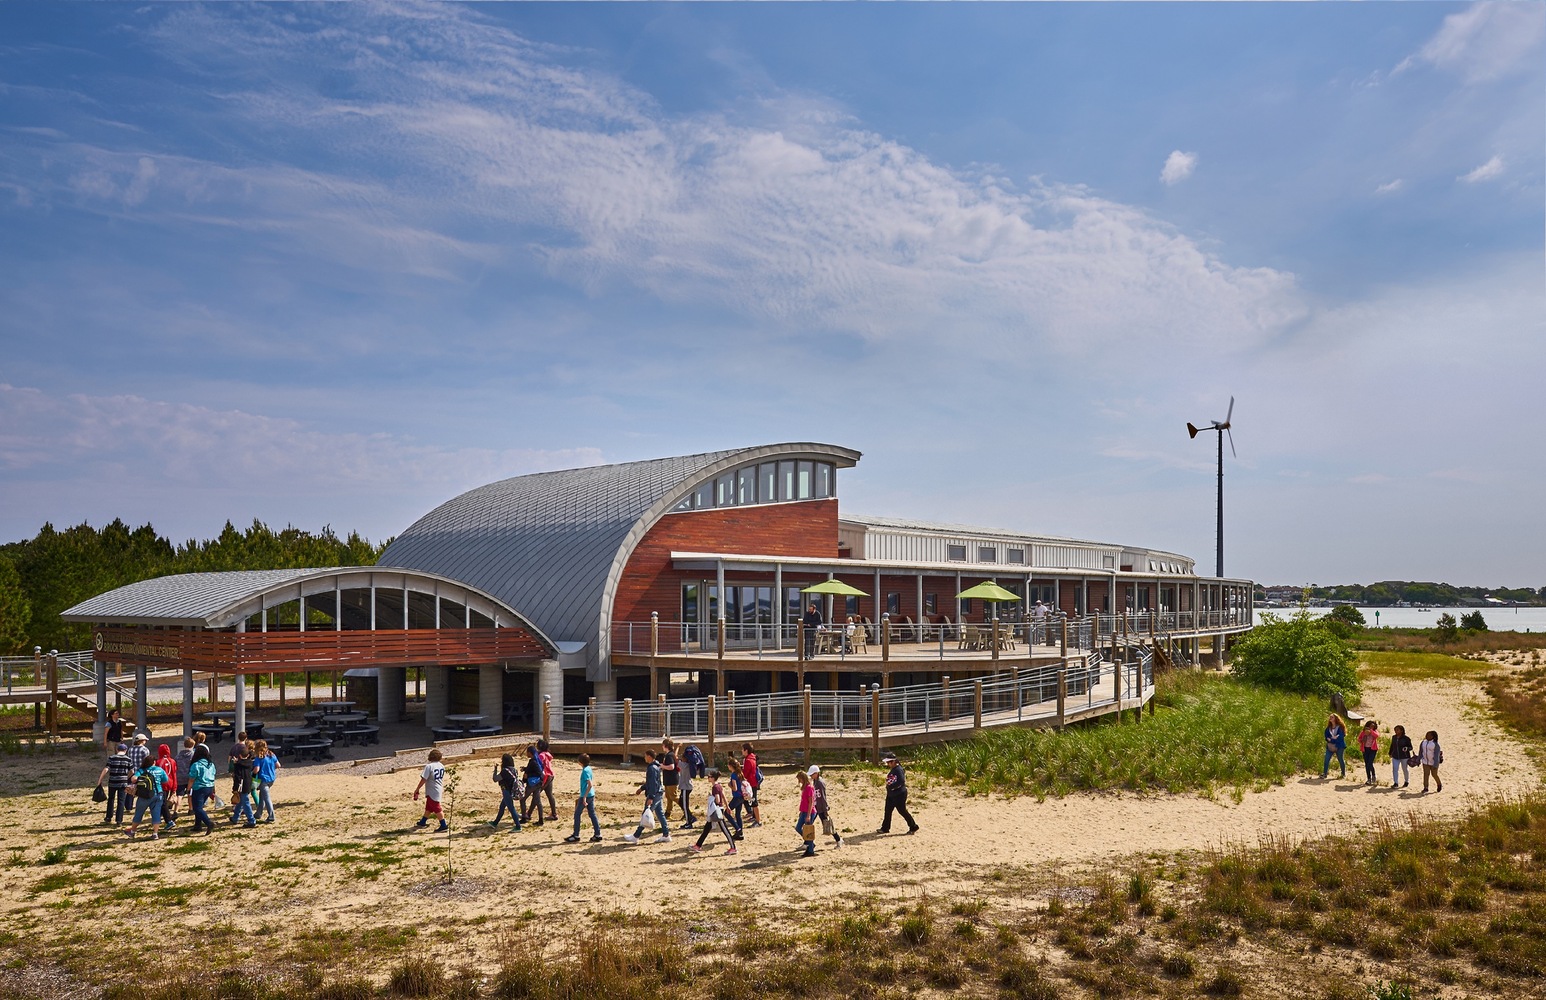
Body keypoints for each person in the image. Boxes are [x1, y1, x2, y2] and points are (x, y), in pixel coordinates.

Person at [623, 749, 669, 844]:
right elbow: (653, 782)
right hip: (659, 792)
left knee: (646, 814)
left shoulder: (652, 768)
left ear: (649, 756)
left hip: (655, 794)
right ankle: (666, 834)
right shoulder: (656, 766)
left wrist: (651, 797)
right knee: (660, 814)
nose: (644, 758)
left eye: (645, 756)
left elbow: (652, 784)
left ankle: (636, 836)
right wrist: (642, 788)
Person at [690, 768, 737, 855]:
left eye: (709, 776)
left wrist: (712, 799)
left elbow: (718, 799)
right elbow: (723, 796)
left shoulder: (715, 787)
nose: (708, 777)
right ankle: (698, 845)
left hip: (717, 810)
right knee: (707, 828)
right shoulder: (719, 785)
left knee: (724, 829)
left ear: (713, 778)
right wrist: (728, 807)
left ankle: (733, 847)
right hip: (720, 809)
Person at [126, 753, 167, 841]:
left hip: (144, 795)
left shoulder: (142, 770)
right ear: (154, 762)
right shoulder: (159, 770)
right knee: (156, 813)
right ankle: (155, 833)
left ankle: (132, 831)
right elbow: (165, 780)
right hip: (158, 794)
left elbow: (133, 779)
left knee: (139, 813)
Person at [564, 753, 603, 843]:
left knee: (577, 814)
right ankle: (598, 834)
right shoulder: (589, 769)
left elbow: (589, 784)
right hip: (591, 794)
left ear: (580, 762)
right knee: (592, 814)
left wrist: (584, 797)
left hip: (586, 796)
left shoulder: (585, 771)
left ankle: (576, 835)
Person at [878, 753, 918, 835]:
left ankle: (913, 826)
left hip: (899, 794)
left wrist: (892, 786)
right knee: (888, 811)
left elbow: (901, 781)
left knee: (902, 811)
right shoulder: (894, 769)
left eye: (889, 762)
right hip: (891, 794)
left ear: (893, 762)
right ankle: (885, 828)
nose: (887, 764)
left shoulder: (898, 769)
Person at [97, 743, 133, 826]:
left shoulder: (112, 758)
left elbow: (106, 769)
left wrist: (100, 780)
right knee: (121, 801)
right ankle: (119, 820)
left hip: (112, 782)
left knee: (111, 799)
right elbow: (132, 771)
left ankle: (108, 817)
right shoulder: (128, 759)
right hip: (123, 783)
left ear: (117, 750)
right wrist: (126, 778)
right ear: (126, 750)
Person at [413, 748, 448, 831]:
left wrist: (417, 789)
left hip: (432, 789)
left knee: (436, 807)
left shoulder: (429, 766)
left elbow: (424, 779)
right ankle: (423, 821)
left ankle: (443, 825)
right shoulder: (441, 766)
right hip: (438, 787)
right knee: (429, 806)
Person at [808, 764, 842, 849]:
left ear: (816, 773)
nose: (811, 776)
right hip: (816, 807)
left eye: (812, 774)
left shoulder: (820, 783)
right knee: (809, 823)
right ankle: (807, 843)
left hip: (821, 808)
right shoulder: (815, 781)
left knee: (827, 825)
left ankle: (838, 839)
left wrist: (825, 809)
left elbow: (823, 797)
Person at [188, 743, 218, 835]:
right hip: (209, 787)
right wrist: (213, 788)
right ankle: (197, 825)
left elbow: (192, 778)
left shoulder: (196, 765)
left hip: (199, 787)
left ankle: (209, 823)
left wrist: (188, 788)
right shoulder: (211, 764)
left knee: (197, 808)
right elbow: (213, 776)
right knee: (199, 806)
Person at [489, 753, 522, 830]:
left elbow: (495, 779)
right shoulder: (514, 770)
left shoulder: (505, 771)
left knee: (511, 808)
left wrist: (495, 769)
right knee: (502, 807)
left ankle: (518, 826)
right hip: (512, 790)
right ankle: (495, 822)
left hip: (506, 791)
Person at [229, 741, 258, 828]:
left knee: (245, 802)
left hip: (241, 785)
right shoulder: (250, 763)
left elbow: (237, 778)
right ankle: (235, 817)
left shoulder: (238, 765)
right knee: (240, 801)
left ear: (240, 756)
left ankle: (251, 820)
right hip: (248, 783)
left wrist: (235, 788)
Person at [153, 743, 180, 831]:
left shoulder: (158, 762)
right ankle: (162, 816)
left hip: (161, 785)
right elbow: (174, 774)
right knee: (163, 802)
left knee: (162, 803)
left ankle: (169, 821)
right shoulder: (172, 761)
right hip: (170, 783)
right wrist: (174, 788)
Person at [253, 739, 279, 823]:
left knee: (267, 798)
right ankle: (258, 813)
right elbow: (278, 765)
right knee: (262, 796)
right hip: (271, 778)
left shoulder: (258, 758)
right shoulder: (271, 754)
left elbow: (256, 770)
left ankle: (271, 816)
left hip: (263, 779)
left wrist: (251, 772)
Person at [520, 744, 546, 825]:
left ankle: (524, 818)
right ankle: (541, 820)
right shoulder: (537, 760)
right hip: (538, 784)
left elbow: (539, 773)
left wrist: (528, 776)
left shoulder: (533, 761)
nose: (526, 754)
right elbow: (535, 770)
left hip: (532, 784)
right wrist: (525, 769)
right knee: (538, 802)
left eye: (527, 752)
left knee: (522, 799)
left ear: (530, 753)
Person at [795, 770, 817, 857]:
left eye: (800, 779)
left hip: (809, 812)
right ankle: (810, 843)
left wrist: (808, 815)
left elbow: (811, 802)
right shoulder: (805, 787)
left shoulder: (809, 788)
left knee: (808, 831)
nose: (799, 781)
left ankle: (810, 849)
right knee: (798, 828)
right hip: (804, 811)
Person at [725, 758, 748, 839]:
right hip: (741, 796)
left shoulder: (734, 775)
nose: (727, 766)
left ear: (731, 766)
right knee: (738, 815)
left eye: (728, 765)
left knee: (726, 813)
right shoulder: (740, 773)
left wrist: (729, 785)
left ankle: (737, 829)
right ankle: (740, 833)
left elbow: (734, 788)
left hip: (737, 797)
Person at [536, 739, 559, 819]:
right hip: (550, 776)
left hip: (545, 777)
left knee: (536, 794)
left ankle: (528, 813)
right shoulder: (547, 754)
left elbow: (539, 767)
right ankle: (554, 813)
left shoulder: (541, 755)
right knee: (550, 795)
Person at [742, 743, 763, 827]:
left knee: (754, 803)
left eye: (742, 749)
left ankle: (758, 821)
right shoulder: (752, 758)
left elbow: (745, 773)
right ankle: (755, 817)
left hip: (751, 783)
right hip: (753, 782)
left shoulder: (748, 760)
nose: (741, 751)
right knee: (753, 801)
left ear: (746, 750)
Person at [1321, 714, 1347, 780]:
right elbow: (1326, 736)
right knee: (1326, 759)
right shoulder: (1328, 728)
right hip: (1330, 747)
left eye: (1332, 717)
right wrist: (1330, 739)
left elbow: (1340, 737)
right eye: (1330, 717)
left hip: (1339, 746)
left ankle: (1343, 773)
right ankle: (1325, 773)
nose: (1330, 718)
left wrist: (1332, 739)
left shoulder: (1340, 727)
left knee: (1340, 759)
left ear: (1335, 718)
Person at [660, 738, 681, 820]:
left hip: (671, 780)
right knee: (668, 796)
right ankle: (668, 813)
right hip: (669, 779)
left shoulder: (669, 755)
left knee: (673, 797)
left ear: (665, 746)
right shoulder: (670, 754)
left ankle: (686, 810)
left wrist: (662, 766)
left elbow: (671, 767)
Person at [1357, 721, 1380, 786]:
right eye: (1370, 726)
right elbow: (1359, 739)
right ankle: (1369, 778)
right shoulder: (1363, 732)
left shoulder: (1375, 731)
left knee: (1370, 763)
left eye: (1373, 726)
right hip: (1365, 749)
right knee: (1367, 764)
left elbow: (1376, 736)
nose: (1371, 727)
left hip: (1373, 749)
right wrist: (1362, 740)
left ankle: (1373, 775)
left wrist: (1371, 731)